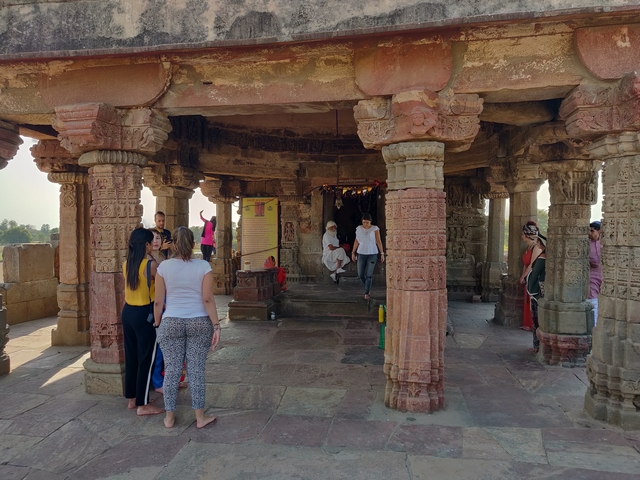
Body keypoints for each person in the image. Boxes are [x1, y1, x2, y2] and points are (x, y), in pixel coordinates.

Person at [154, 227, 221, 429]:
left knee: (172, 371)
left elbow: (158, 302)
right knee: (196, 371)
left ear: (173, 245)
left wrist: (158, 324)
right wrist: (216, 325)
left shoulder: (164, 267)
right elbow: (207, 299)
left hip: (171, 321)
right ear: (194, 244)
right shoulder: (203, 266)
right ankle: (200, 418)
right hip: (199, 322)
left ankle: (169, 417)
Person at [122, 228, 164, 416]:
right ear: (146, 244)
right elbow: (159, 294)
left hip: (128, 312)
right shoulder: (150, 265)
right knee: (146, 358)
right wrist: (157, 318)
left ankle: (133, 398)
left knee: (132, 357)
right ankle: (143, 404)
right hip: (144, 313)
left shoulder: (127, 264)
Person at [351, 213, 385, 301]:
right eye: (364, 222)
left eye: (367, 222)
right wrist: (353, 252)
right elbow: (356, 241)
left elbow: (378, 241)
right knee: (361, 274)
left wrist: (382, 253)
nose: (365, 224)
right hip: (361, 252)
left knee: (369, 274)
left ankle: (367, 292)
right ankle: (367, 284)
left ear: (370, 222)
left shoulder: (375, 229)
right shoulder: (359, 229)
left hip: (372, 252)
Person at [519, 221, 543, 331]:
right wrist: (523, 276)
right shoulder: (528, 248)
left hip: (534, 277)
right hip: (528, 277)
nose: (522, 236)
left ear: (528, 235)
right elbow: (526, 264)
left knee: (532, 301)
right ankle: (528, 323)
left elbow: (532, 266)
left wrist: (523, 276)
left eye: (523, 234)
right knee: (527, 299)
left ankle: (532, 325)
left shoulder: (536, 247)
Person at [526, 232, 546, 354]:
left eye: (538, 241)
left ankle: (537, 345)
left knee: (536, 318)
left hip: (539, 291)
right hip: (544, 290)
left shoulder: (543, 257)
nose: (537, 243)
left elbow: (534, 274)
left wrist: (531, 289)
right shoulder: (547, 256)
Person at [588, 221, 602, 326]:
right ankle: (594, 327)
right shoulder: (586, 243)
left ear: (599, 231)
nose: (590, 233)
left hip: (605, 274)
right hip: (592, 275)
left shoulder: (605, 242)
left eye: (592, 231)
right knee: (593, 300)